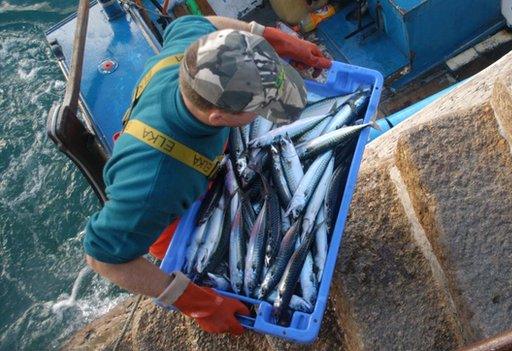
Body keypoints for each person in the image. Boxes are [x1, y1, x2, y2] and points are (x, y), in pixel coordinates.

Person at [82, 15, 331, 335]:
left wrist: (277, 39)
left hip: (201, 157)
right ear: (218, 116)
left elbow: (201, 21)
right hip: (174, 210)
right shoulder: (158, 183)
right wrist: (197, 303)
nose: (271, 109)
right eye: (261, 105)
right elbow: (102, 257)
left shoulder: (194, 48)